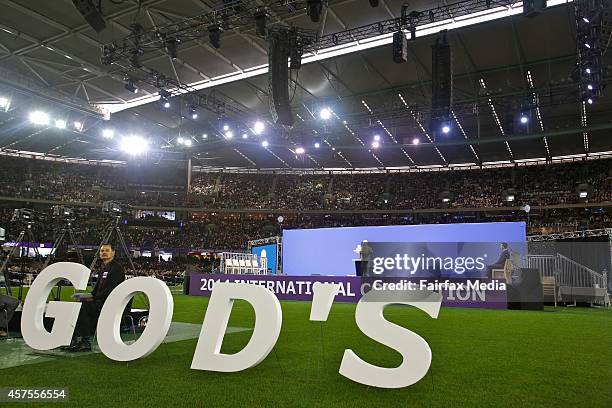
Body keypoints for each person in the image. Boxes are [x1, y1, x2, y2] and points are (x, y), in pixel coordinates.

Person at [65, 243, 125, 352]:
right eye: (102, 251)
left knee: (83, 306)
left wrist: (92, 298)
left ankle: (85, 341)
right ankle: (73, 340)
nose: (104, 253)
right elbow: (96, 290)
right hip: (99, 301)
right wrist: (84, 295)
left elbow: (111, 290)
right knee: (77, 304)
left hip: (108, 303)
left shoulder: (117, 268)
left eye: (107, 250)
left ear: (113, 253)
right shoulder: (103, 268)